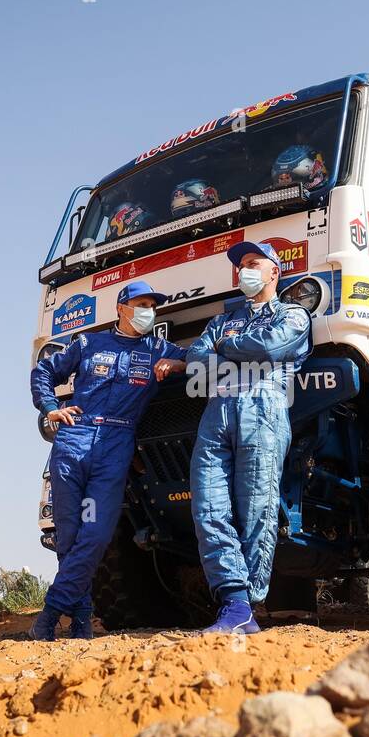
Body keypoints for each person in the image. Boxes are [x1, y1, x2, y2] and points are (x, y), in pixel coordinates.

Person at [29, 281, 187, 640]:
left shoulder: (157, 348)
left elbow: (199, 356)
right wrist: (52, 408)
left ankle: (51, 611)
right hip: (73, 439)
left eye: (152, 305)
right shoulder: (88, 343)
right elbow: (43, 372)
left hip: (116, 445)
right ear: (121, 308)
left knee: (96, 533)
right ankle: (82, 619)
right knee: (68, 538)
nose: (148, 310)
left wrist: (177, 363)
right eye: (141, 303)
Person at [187, 241, 312, 634]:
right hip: (216, 412)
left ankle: (248, 601)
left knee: (256, 507)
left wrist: (225, 349)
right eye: (240, 265)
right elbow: (195, 360)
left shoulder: (293, 315)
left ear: (274, 271)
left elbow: (272, 347)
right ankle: (234, 602)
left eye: (252, 263)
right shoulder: (221, 321)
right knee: (208, 505)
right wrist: (228, 350)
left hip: (264, 409)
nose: (244, 270)